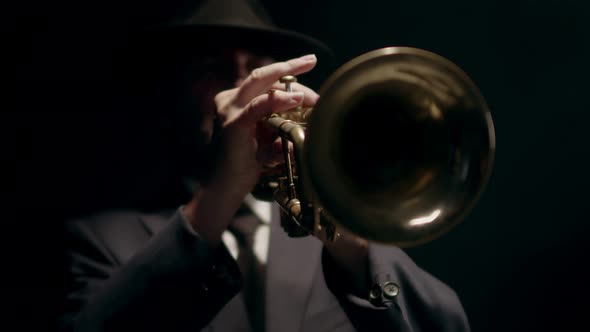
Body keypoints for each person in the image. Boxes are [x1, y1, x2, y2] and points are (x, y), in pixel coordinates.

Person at [57, 0, 471, 331]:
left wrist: (350, 239)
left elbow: (445, 324)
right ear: (172, 92)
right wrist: (220, 191)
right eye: (212, 68)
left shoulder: (337, 238)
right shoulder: (101, 238)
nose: (240, 83)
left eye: (256, 65)